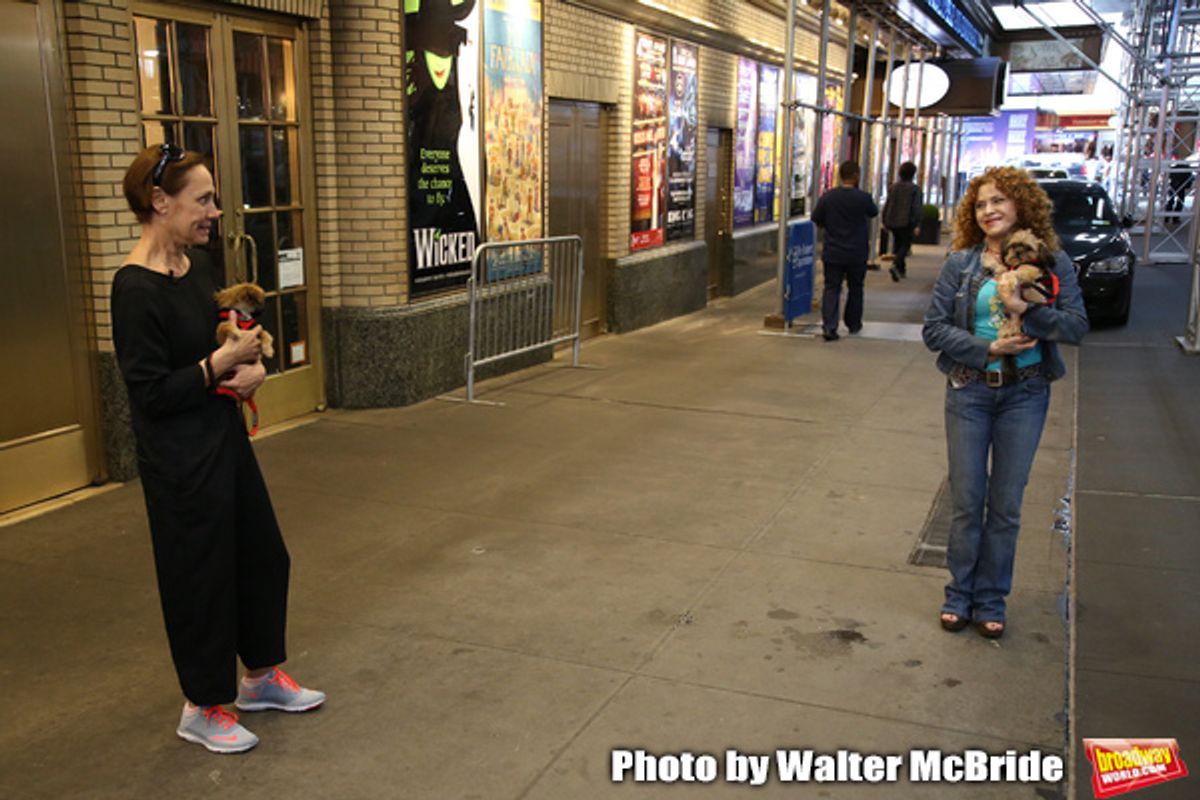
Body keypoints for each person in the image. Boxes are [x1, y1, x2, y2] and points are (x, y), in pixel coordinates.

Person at [113, 144, 324, 754]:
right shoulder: (134, 289)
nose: (215, 211)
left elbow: (222, 346)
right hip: (178, 460)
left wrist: (247, 369)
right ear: (160, 202)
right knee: (199, 577)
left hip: (224, 437)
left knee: (263, 555)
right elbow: (150, 393)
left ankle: (259, 678)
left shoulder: (198, 269)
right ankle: (202, 706)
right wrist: (217, 365)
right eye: (202, 199)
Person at [922, 166, 1088, 639]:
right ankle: (959, 594)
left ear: (1020, 205)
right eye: (980, 204)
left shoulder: (1053, 261)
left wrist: (1028, 312)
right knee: (967, 499)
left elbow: (1076, 326)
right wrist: (988, 348)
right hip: (969, 389)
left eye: (998, 200)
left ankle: (992, 598)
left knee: (1006, 505)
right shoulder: (961, 264)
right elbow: (933, 329)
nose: (989, 210)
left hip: (1027, 393)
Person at [811, 160, 878, 341]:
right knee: (856, 288)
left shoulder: (828, 197)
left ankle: (830, 326)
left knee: (832, 287)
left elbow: (816, 217)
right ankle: (853, 323)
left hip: (833, 250)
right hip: (856, 251)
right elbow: (874, 212)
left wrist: (829, 226)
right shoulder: (863, 198)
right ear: (856, 176)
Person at [882, 161, 923, 282]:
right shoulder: (915, 189)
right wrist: (917, 224)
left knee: (898, 244)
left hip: (893, 221)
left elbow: (888, 204)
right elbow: (917, 207)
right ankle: (896, 264)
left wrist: (884, 219)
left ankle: (901, 269)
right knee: (905, 245)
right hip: (907, 221)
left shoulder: (893, 187)